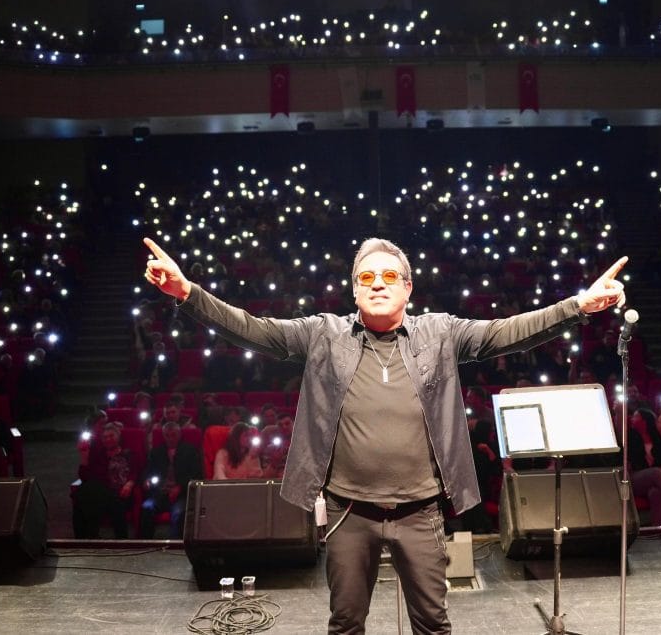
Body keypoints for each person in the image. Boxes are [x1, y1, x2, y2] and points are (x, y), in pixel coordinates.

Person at [143, 236, 626, 634]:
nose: (378, 285)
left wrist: (578, 306)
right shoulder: (323, 334)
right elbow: (251, 329)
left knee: (433, 625)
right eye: (366, 278)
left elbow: (509, 331)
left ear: (409, 288)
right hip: (348, 511)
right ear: (353, 290)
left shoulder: (442, 333)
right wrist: (189, 293)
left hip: (421, 512)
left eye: (389, 276)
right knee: (346, 623)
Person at [74, 423, 139, 539]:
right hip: (102, 491)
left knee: (89, 497)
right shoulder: (98, 454)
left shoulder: (128, 454)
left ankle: (91, 537)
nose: (108, 439)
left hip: (121, 492)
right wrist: (84, 457)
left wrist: (130, 483)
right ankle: (86, 539)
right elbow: (85, 477)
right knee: (86, 493)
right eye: (105, 437)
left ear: (118, 437)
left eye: (111, 436)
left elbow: (136, 471)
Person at [139, 421, 202, 539]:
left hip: (181, 494)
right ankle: (146, 545)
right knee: (147, 508)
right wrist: (146, 480)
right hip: (160, 493)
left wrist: (180, 487)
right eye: (167, 435)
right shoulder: (157, 452)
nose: (170, 439)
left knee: (179, 513)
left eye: (173, 435)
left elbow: (196, 474)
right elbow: (148, 470)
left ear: (179, 435)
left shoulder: (190, 450)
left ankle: (174, 547)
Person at [627, 408, 661, 526]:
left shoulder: (656, 437)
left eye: (636, 417)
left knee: (656, 493)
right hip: (635, 477)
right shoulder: (630, 437)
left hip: (654, 479)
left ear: (644, 421)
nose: (632, 419)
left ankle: (658, 529)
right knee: (655, 472)